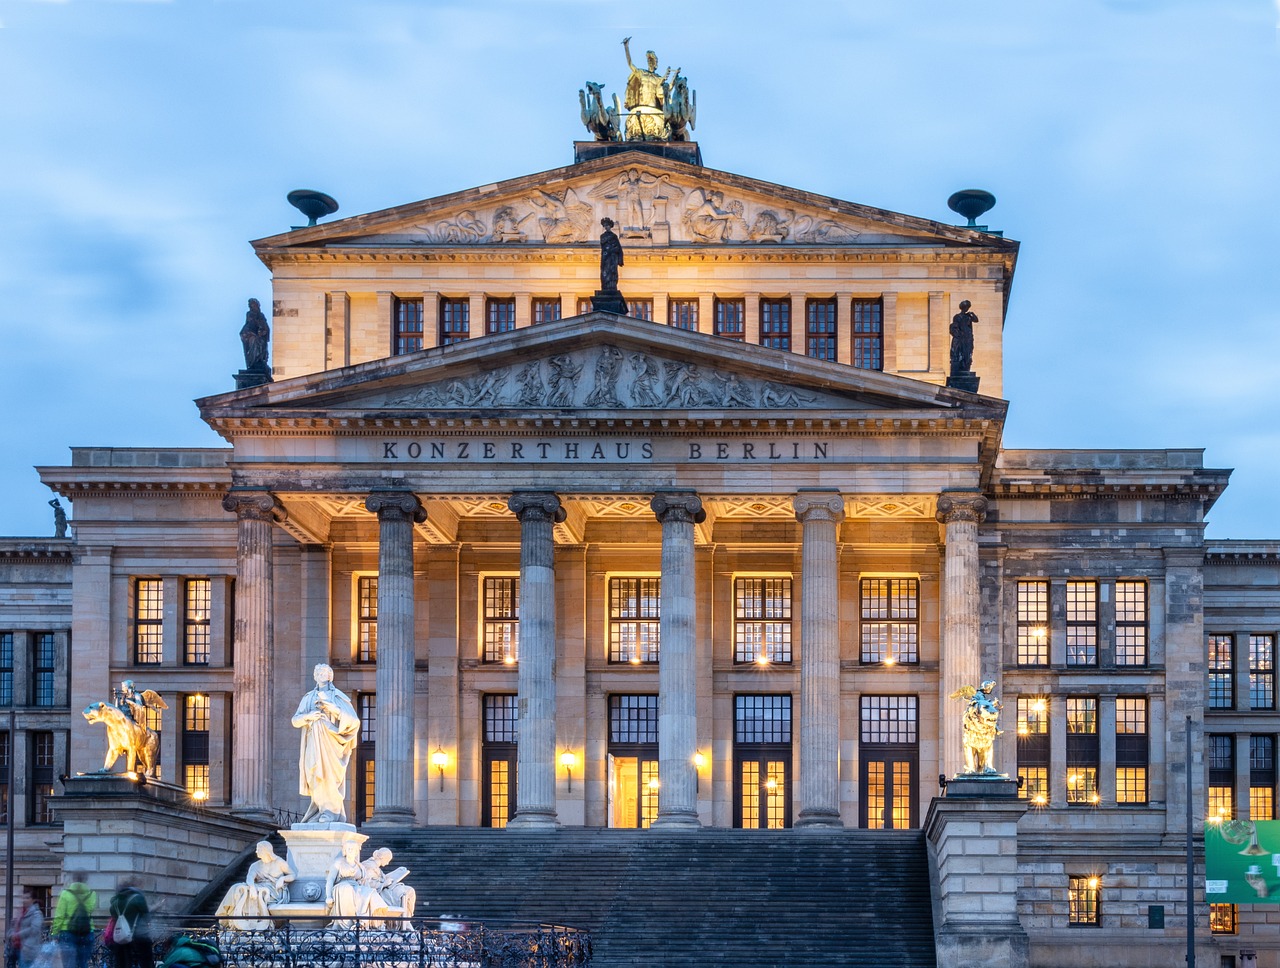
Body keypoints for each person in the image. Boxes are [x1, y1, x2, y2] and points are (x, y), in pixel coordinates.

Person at [292, 663, 361, 823]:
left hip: (331, 742)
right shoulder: (308, 698)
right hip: (313, 742)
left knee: (328, 776)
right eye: (318, 672)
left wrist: (334, 710)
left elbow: (354, 721)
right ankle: (319, 812)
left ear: (330, 676)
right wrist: (308, 716)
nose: (321, 674)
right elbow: (295, 720)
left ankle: (329, 812)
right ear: (315, 676)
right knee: (314, 774)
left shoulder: (338, 697)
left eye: (324, 672)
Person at [214, 842, 295, 930]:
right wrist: (252, 887)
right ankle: (224, 917)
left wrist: (282, 879)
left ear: (266, 850)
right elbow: (249, 878)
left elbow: (293, 875)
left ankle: (254, 923)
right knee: (236, 887)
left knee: (258, 892)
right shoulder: (255, 865)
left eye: (258, 849)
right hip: (258, 886)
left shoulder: (279, 862)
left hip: (274, 890)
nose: (256, 851)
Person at [621, 37, 675, 140]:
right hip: (640, 107)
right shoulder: (642, 73)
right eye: (649, 60)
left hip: (652, 108)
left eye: (652, 61)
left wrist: (672, 79)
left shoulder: (658, 78)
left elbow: (664, 92)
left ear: (655, 64)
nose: (650, 62)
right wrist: (626, 47)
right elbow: (630, 64)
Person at [324, 837, 377, 926]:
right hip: (341, 886)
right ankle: (347, 925)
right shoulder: (338, 863)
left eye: (353, 849)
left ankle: (371, 924)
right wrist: (328, 896)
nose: (351, 851)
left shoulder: (360, 866)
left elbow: (364, 882)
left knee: (372, 893)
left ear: (357, 851)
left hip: (357, 887)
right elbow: (330, 880)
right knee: (347, 889)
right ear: (345, 850)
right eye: (349, 849)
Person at [51, 873, 97, 968]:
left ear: (73, 879)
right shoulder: (92, 894)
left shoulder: (65, 894)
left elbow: (60, 915)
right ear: (85, 879)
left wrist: (54, 932)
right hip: (87, 930)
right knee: (83, 963)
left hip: (67, 931)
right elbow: (91, 910)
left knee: (69, 964)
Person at [361, 848, 417, 921]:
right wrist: (384, 884)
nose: (387, 863)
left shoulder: (375, 867)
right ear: (383, 858)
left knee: (409, 891)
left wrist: (396, 873)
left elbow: (381, 879)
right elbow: (368, 884)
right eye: (387, 860)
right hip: (380, 892)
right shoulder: (369, 865)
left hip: (384, 890)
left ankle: (406, 920)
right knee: (408, 891)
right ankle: (406, 921)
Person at [108, 881, 151, 968]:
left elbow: (113, 916)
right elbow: (147, 916)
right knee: (146, 960)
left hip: (121, 936)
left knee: (122, 962)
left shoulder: (115, 902)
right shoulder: (138, 898)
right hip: (138, 935)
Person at [11, 890, 43, 968]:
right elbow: (16, 926)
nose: (24, 900)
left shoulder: (37, 913)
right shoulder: (22, 911)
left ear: (33, 900)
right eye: (23, 898)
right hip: (18, 947)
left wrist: (18, 934)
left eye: (27, 898)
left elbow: (34, 929)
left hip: (28, 949)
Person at [239, 298, 270, 371]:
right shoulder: (249, 314)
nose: (252, 307)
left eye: (253, 305)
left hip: (260, 336)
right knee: (253, 340)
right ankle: (253, 362)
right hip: (251, 335)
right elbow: (247, 325)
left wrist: (262, 331)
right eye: (251, 306)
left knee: (259, 342)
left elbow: (265, 326)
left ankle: (259, 360)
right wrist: (245, 333)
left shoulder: (261, 315)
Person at [949, 299, 977, 375]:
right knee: (958, 353)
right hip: (960, 338)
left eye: (967, 307)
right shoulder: (957, 317)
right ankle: (960, 368)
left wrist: (972, 314)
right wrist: (958, 334)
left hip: (968, 338)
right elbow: (954, 328)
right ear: (962, 308)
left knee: (967, 354)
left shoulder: (968, 317)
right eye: (966, 307)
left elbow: (976, 320)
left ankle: (965, 368)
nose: (967, 309)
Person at [599, 218, 624, 292]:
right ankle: (606, 285)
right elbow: (603, 243)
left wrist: (619, 258)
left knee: (612, 271)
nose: (606, 227)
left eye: (607, 225)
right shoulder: (603, 236)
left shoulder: (614, 236)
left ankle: (612, 285)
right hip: (606, 257)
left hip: (612, 258)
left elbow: (618, 248)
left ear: (610, 226)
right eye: (604, 226)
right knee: (605, 272)